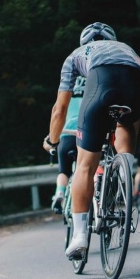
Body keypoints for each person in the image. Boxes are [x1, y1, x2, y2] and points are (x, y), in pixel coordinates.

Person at [43, 22, 140, 260]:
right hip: (137, 85)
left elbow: (60, 110)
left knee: (84, 165)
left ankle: (80, 237)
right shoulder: (127, 49)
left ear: (84, 42)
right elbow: (135, 117)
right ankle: (123, 175)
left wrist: (52, 141)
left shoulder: (75, 56)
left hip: (102, 82)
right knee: (126, 122)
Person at [51, 76, 86, 214]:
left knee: (64, 171)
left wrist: (52, 140)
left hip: (66, 135)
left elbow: (57, 114)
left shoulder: (66, 92)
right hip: (87, 133)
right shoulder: (93, 90)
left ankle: (60, 192)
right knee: (87, 170)